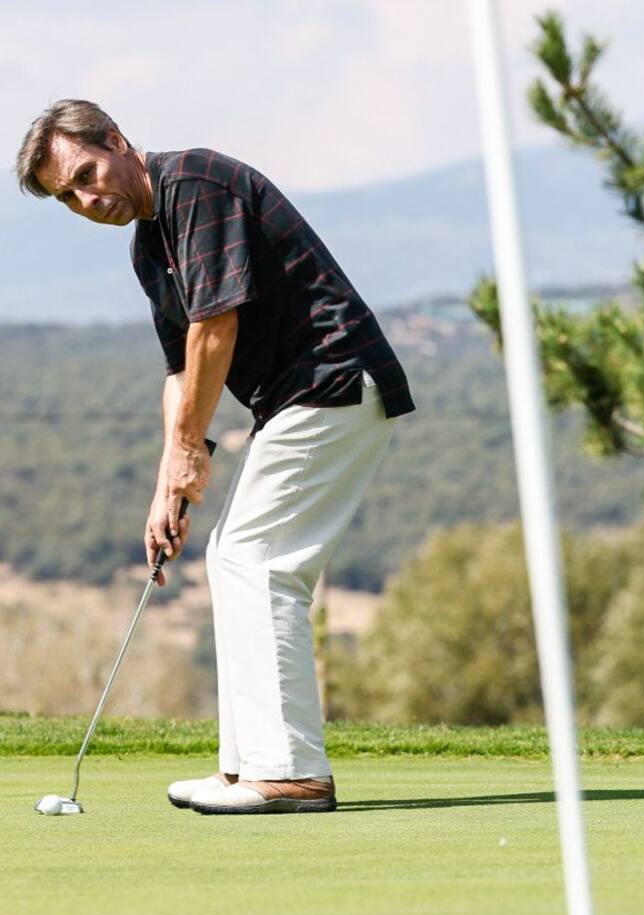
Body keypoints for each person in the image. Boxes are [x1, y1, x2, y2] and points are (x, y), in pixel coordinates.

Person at [16, 100, 414, 815]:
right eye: (67, 197)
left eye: (86, 174)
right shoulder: (148, 247)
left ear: (117, 141)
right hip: (295, 398)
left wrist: (188, 455)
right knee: (235, 557)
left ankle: (291, 773)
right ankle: (246, 767)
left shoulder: (195, 185)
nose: (87, 199)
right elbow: (179, 374)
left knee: (257, 563)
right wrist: (166, 483)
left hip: (333, 379)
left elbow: (214, 329)